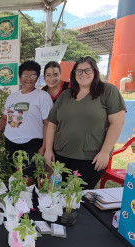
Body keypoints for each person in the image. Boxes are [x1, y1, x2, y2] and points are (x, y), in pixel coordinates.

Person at [44, 56, 126, 189]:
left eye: (88, 70)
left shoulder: (108, 91)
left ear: (95, 72)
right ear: (74, 74)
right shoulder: (65, 95)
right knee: (59, 194)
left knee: (80, 197)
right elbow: (52, 124)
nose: (83, 74)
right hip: (61, 156)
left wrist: (105, 152)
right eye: (79, 71)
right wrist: (48, 150)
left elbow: (117, 123)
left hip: (91, 158)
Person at [0, 60, 53, 178]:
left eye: (33, 75)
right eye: (25, 75)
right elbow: (5, 118)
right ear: (20, 77)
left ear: (37, 78)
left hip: (32, 145)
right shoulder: (12, 96)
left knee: (29, 179)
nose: (29, 78)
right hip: (10, 143)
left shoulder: (42, 97)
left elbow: (48, 124)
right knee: (13, 176)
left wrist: (44, 147)